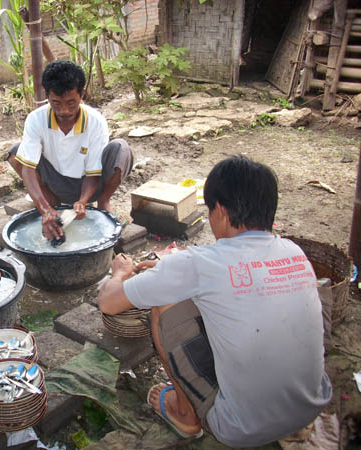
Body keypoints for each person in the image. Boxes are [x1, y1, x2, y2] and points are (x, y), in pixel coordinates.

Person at [98, 156, 332, 447]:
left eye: (209, 210)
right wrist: (169, 267)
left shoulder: (200, 264)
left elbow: (109, 302)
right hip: (311, 403)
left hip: (240, 428)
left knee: (165, 307)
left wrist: (120, 273)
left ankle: (186, 415)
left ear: (219, 210)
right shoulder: (294, 252)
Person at [7, 60, 133, 241]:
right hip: (55, 183)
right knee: (16, 153)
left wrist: (82, 201)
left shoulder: (95, 121)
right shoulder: (36, 119)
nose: (64, 110)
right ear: (47, 96)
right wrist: (44, 208)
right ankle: (53, 205)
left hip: (90, 185)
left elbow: (93, 171)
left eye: (71, 102)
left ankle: (103, 202)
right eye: (56, 103)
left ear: (82, 93)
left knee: (121, 149)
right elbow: (28, 169)